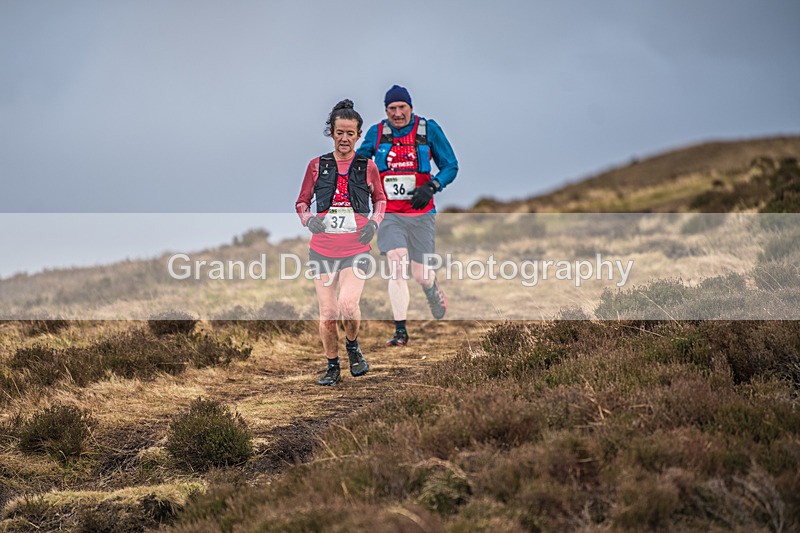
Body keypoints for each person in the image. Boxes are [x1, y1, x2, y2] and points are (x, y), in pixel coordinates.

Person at [356, 85, 458, 346]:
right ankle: (400, 331)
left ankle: (432, 290)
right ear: (386, 110)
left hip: (421, 213)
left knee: (421, 273)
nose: (398, 113)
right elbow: (359, 164)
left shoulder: (428, 129)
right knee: (396, 265)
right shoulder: (376, 133)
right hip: (389, 213)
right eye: (392, 109)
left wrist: (432, 186)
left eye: (402, 107)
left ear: (411, 108)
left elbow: (451, 165)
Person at [296, 99, 386, 386]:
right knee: (328, 314)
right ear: (331, 133)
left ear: (359, 135)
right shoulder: (315, 166)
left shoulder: (368, 166)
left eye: (350, 133)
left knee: (348, 304)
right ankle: (332, 367)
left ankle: (353, 346)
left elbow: (380, 199)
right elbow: (301, 202)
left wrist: (374, 223)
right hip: (322, 251)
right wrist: (308, 220)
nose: (344, 138)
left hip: (356, 249)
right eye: (339, 133)